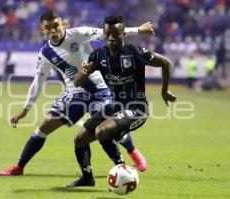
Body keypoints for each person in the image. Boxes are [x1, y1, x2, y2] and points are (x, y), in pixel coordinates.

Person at [0, 11, 155, 176]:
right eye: (48, 28)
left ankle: (128, 157)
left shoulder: (78, 34)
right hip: (74, 94)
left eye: (56, 26)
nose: (53, 31)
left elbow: (108, 33)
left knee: (108, 129)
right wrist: (25, 109)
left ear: (62, 24)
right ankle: (19, 167)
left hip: (100, 91)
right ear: (42, 29)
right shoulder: (45, 53)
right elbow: (39, 80)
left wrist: (138, 29)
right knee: (44, 127)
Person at [68, 15, 177, 187]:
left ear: (123, 34)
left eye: (116, 34)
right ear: (103, 35)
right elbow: (76, 82)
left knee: (101, 131)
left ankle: (121, 168)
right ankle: (87, 178)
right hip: (114, 107)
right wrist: (84, 72)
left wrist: (164, 91)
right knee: (79, 139)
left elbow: (165, 63)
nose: (111, 38)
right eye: (107, 34)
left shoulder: (135, 53)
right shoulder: (97, 56)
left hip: (137, 109)